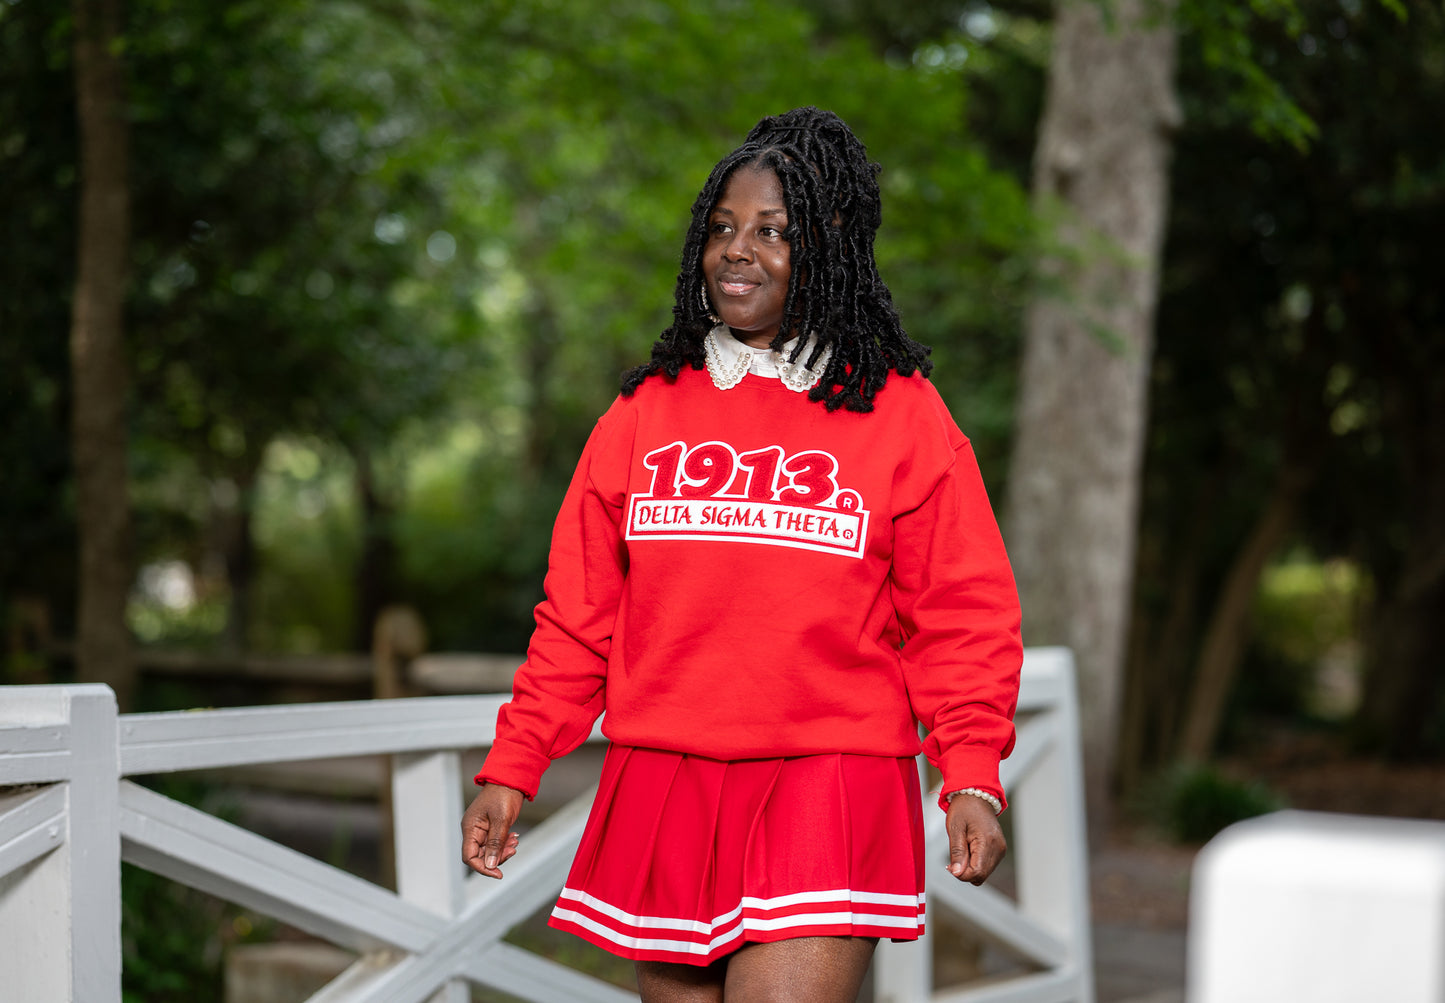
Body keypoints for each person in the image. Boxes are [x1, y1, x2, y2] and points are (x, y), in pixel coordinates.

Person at [461, 106, 1021, 1002]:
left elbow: (961, 616)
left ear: (829, 245)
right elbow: (577, 617)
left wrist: (972, 774)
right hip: (665, 777)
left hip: (827, 778)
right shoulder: (642, 413)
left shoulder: (902, 413)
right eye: (722, 227)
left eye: (771, 231)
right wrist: (513, 764)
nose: (737, 249)